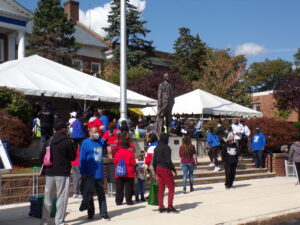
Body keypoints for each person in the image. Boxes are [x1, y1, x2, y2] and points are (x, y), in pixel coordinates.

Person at [40, 122, 76, 225]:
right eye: (66, 127)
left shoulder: (49, 140)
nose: (67, 129)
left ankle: (45, 221)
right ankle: (59, 221)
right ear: (63, 129)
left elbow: (41, 155)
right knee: (62, 198)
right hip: (63, 173)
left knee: (48, 198)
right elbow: (73, 157)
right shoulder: (67, 141)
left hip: (50, 172)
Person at [80, 126, 110, 221]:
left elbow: (107, 143)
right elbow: (82, 158)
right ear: (90, 132)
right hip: (89, 173)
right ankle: (90, 213)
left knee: (101, 194)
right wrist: (82, 172)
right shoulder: (85, 143)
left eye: (97, 131)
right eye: (95, 132)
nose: (97, 133)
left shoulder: (100, 142)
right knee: (89, 195)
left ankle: (104, 213)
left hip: (99, 173)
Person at [153, 133, 178, 213]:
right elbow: (168, 160)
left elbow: (154, 161)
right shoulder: (167, 147)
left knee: (161, 188)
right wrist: (173, 170)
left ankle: (161, 206)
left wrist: (155, 171)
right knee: (171, 186)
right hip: (165, 168)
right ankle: (170, 206)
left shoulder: (156, 148)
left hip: (158, 168)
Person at [114, 132, 136, 205]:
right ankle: (128, 201)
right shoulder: (130, 153)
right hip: (129, 172)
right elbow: (133, 163)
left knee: (119, 188)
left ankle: (118, 201)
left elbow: (115, 162)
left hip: (119, 172)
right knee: (128, 188)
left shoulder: (118, 153)